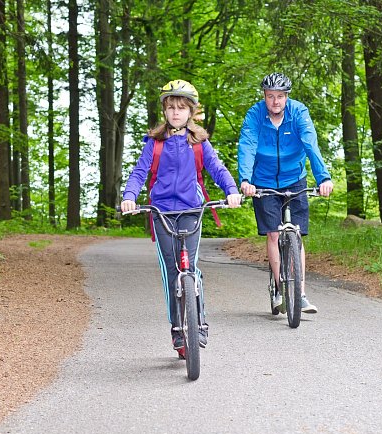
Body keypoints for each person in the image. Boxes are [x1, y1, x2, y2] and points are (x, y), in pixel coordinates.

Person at [121, 79, 242, 352]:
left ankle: (199, 322)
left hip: (190, 209)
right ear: (164, 111)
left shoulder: (199, 143)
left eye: (182, 108)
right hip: (162, 211)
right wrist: (130, 197)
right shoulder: (154, 143)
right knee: (170, 269)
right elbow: (140, 173)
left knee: (191, 267)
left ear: (191, 112)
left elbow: (217, 169)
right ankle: (177, 327)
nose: (176, 112)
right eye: (171, 107)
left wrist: (232, 190)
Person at [237, 72, 334, 314]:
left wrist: (323, 177)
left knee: (297, 235)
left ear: (287, 97)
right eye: (271, 96)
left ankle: (299, 294)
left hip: (294, 178)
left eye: (280, 96)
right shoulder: (255, 115)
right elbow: (247, 145)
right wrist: (246, 179)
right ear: (264, 97)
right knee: (272, 234)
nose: (276, 101)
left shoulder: (298, 112)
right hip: (263, 181)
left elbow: (311, 143)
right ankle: (280, 289)